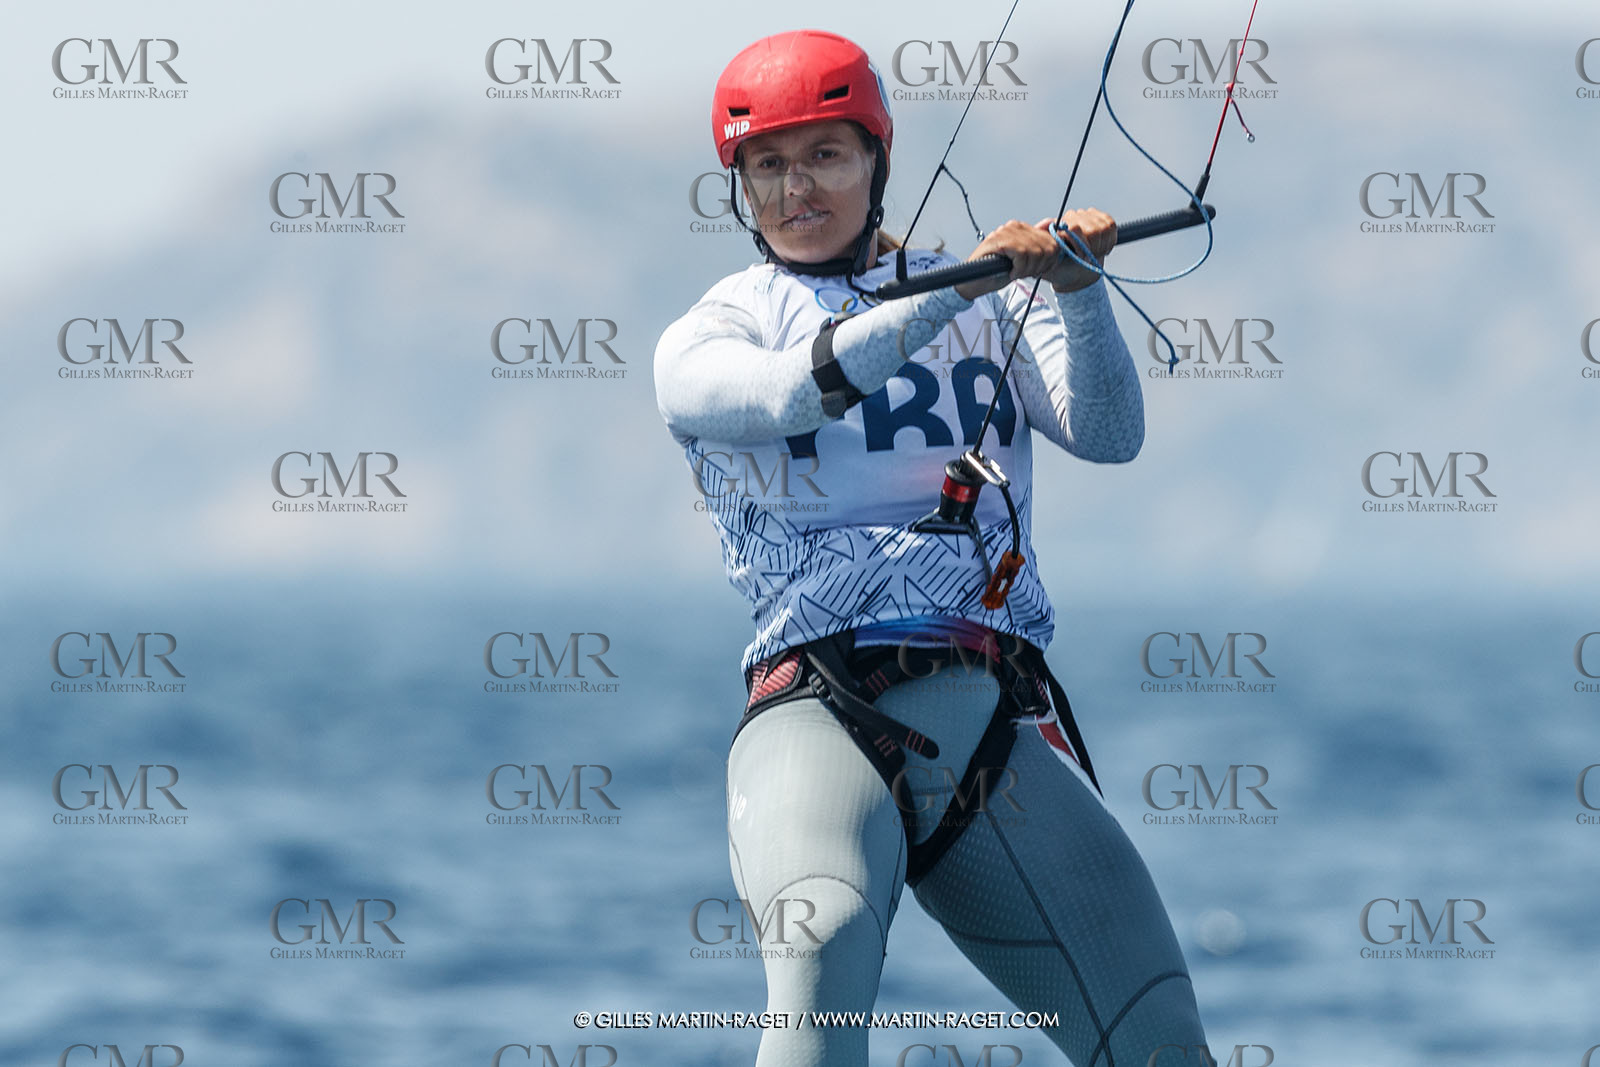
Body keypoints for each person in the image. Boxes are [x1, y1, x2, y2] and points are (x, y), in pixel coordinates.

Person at [654, 29, 1212, 1067]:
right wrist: (956, 290)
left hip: (989, 726)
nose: (796, 186)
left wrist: (1080, 293)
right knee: (816, 959)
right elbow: (791, 393)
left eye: (825, 153)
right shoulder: (711, 332)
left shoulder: (995, 294)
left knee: (1162, 1039)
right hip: (820, 714)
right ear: (738, 187)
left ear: (876, 156)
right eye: (767, 166)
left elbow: (1110, 435)